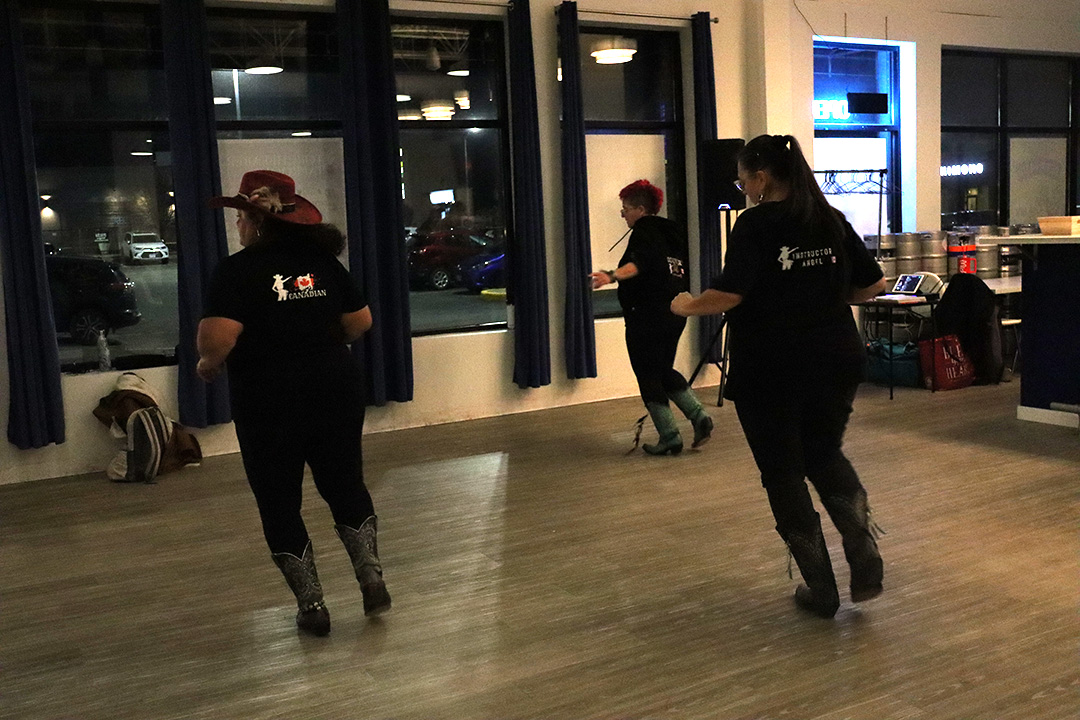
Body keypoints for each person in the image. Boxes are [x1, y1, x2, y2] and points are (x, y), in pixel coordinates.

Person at [671, 135, 887, 618]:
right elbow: (873, 284)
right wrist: (824, 299)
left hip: (773, 365)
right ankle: (860, 544)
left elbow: (729, 294)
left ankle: (822, 590)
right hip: (836, 357)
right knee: (823, 452)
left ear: (761, 178)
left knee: (783, 471)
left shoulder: (755, 224)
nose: (742, 187)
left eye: (743, 178)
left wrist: (685, 304)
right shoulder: (829, 217)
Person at [197, 170, 390, 637]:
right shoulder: (321, 261)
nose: (237, 227)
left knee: (279, 499)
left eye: (240, 218)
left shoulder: (236, 270)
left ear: (255, 221)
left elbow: (218, 338)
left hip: (268, 397)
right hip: (335, 386)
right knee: (345, 482)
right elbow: (360, 322)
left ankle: (313, 606)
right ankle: (371, 576)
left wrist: (207, 365)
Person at [590, 179, 713, 456]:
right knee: (662, 370)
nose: (623, 214)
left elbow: (638, 264)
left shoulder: (644, 231)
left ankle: (670, 436)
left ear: (641, 209)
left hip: (646, 316)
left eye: (626, 208)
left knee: (647, 375)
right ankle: (699, 417)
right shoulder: (672, 235)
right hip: (674, 312)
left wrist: (609, 276)